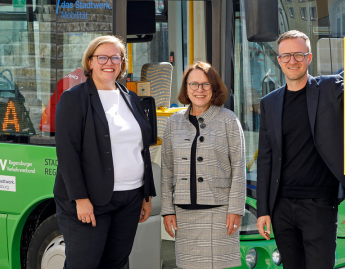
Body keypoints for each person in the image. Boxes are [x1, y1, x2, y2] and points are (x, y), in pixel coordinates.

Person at [54, 35, 156, 269]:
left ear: (122, 63)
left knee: (117, 264)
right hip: (90, 200)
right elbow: (67, 153)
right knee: (84, 264)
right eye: (102, 57)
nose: (109, 62)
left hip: (130, 199)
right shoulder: (74, 98)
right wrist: (81, 199)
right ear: (90, 62)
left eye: (115, 57)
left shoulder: (129, 97)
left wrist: (146, 195)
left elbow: (141, 148)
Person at [256, 30, 345, 269]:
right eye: (286, 56)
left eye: (299, 55)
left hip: (319, 203)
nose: (292, 61)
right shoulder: (270, 102)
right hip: (281, 206)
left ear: (309, 58)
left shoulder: (330, 88)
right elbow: (266, 159)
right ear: (278, 61)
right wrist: (263, 211)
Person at [161, 61, 246, 269]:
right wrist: (167, 210)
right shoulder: (173, 123)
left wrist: (236, 209)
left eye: (206, 84)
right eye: (194, 84)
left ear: (214, 88)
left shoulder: (229, 120)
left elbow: (239, 167)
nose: (200, 90)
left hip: (220, 214)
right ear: (186, 89)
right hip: (184, 214)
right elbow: (166, 170)